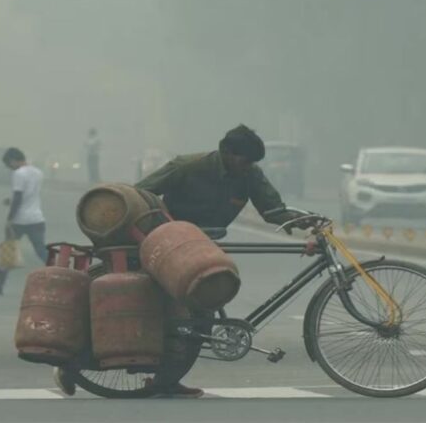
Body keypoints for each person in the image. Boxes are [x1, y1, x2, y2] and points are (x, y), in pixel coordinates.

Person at [53, 125, 311, 399]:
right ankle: (74, 366)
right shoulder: (187, 166)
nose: (248, 167)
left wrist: (306, 222)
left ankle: (165, 380)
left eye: (252, 163)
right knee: (160, 316)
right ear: (227, 152)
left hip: (203, 250)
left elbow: (272, 210)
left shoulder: (249, 175)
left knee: (200, 318)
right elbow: (139, 195)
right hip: (165, 247)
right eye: (244, 161)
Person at [0, 148, 48, 295]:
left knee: (8, 251)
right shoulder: (38, 172)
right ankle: (63, 274)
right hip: (37, 218)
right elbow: (28, 196)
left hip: (20, 220)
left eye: (9, 164)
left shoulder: (19, 173)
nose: (10, 168)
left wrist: (9, 219)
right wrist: (9, 201)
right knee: (42, 251)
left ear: (13, 160)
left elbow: (18, 197)